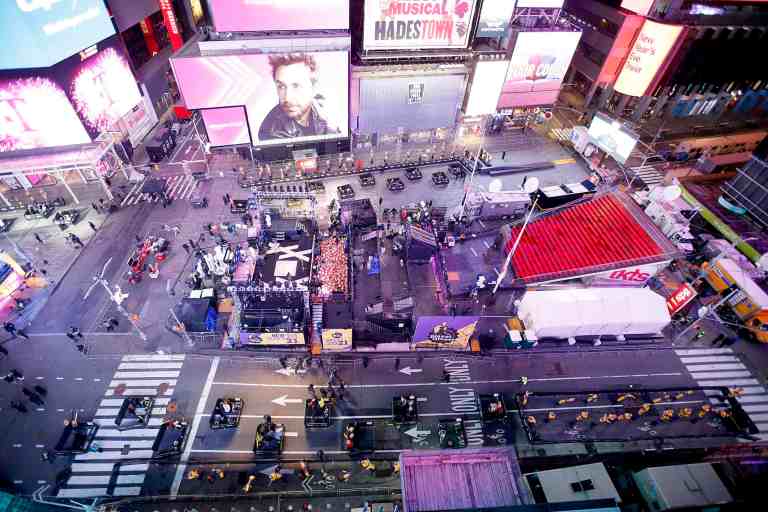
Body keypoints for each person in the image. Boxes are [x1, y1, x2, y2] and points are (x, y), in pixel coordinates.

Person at [258, 53, 340, 141]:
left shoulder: (326, 109)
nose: (287, 98)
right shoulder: (271, 132)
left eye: (296, 86)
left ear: (313, 87)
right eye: (281, 86)